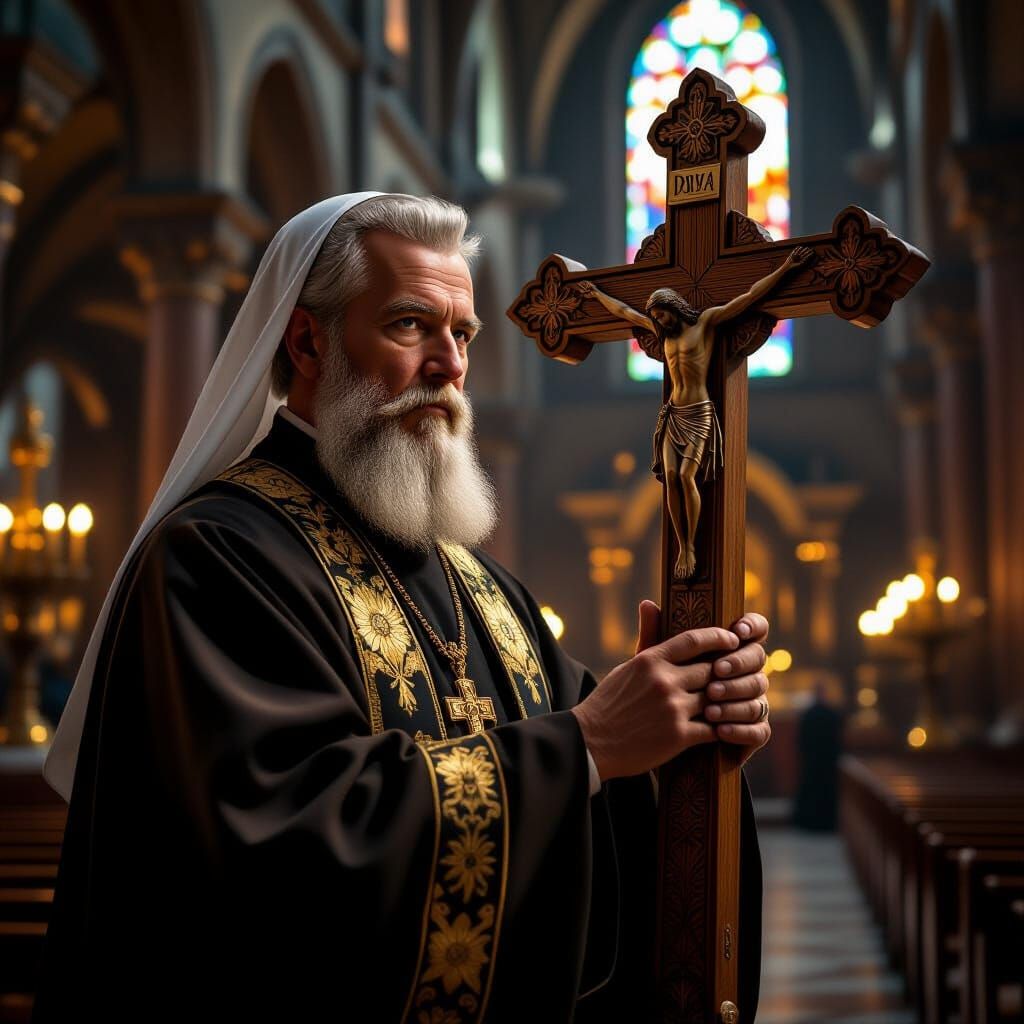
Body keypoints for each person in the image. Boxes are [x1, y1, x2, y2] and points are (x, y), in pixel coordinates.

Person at [31, 193, 772, 1022]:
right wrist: (592, 744)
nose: (451, 365)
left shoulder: (486, 591)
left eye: (461, 334)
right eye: (411, 325)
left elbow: (607, 782)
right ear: (308, 341)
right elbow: (283, 851)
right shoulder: (216, 555)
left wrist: (684, 730)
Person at [579, 246, 813, 580]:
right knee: (670, 479)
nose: (658, 322)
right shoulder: (662, 333)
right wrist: (597, 293)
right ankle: (683, 543)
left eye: (662, 314)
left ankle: (690, 548)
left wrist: (787, 268)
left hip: (700, 411)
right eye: (655, 317)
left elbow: (748, 297)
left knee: (688, 476)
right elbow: (624, 312)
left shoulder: (705, 324)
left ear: (673, 308)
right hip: (673, 413)